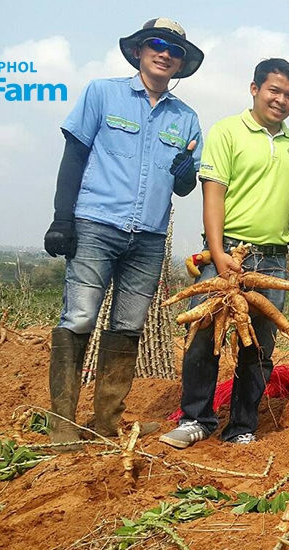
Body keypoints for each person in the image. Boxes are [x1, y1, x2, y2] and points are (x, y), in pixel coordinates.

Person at [43, 18, 204, 448]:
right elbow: (74, 155)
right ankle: (62, 426)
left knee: (127, 326)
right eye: (156, 44)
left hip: (149, 238)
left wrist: (185, 171)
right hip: (96, 224)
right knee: (78, 318)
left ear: (181, 63)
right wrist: (63, 218)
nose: (165, 53)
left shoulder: (186, 119)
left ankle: (105, 423)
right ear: (138, 51)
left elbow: (185, 186)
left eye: (174, 49)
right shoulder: (102, 93)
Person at [160, 59, 289, 449]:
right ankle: (196, 418)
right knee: (203, 337)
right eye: (274, 91)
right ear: (254, 89)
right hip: (227, 253)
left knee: (259, 345)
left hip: (271, 259)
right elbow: (213, 194)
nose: (281, 100)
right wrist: (217, 253)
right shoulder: (227, 131)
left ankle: (242, 424)